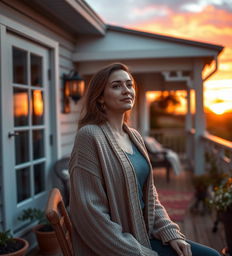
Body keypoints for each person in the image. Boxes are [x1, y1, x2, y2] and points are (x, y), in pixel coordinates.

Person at [69, 63, 221, 256]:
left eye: (129, 84)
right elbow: (90, 216)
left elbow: (150, 196)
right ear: (100, 98)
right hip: (119, 246)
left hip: (145, 234)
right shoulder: (90, 136)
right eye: (116, 86)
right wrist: (140, 253)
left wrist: (170, 232)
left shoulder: (134, 136)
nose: (126, 90)